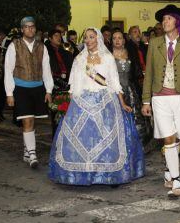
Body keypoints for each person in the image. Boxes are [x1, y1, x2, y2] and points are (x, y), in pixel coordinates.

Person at [48, 27, 145, 185]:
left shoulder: (107, 58)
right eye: (86, 37)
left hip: (105, 101)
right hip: (82, 102)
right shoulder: (79, 59)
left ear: (97, 39)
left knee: (107, 139)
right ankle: (83, 173)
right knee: (81, 140)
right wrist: (69, 107)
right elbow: (73, 86)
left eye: (91, 37)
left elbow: (114, 83)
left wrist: (123, 103)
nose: (88, 40)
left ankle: (108, 174)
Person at [141, 4, 180, 197]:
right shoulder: (154, 43)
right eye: (163, 19)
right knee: (168, 137)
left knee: (177, 138)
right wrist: (145, 101)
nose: (164, 22)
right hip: (160, 97)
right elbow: (148, 73)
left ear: (178, 22)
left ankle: (168, 171)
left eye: (168, 18)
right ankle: (176, 180)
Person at [4, 16, 54, 169]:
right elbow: (8, 70)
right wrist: (9, 93)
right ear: (22, 29)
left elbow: (46, 70)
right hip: (21, 88)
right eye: (26, 26)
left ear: (35, 29)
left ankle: (27, 151)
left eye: (32, 26)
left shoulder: (42, 47)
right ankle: (32, 154)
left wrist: (49, 90)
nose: (30, 29)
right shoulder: (14, 45)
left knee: (33, 121)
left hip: (38, 88)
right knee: (27, 121)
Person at [112, 29, 153, 153]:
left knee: (134, 116)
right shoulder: (108, 55)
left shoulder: (130, 53)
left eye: (120, 38)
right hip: (114, 90)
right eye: (114, 38)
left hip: (130, 89)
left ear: (124, 40)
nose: (117, 40)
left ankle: (134, 144)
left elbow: (136, 71)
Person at [45, 29, 74, 137]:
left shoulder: (64, 50)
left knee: (68, 115)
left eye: (60, 36)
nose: (59, 38)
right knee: (56, 115)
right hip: (54, 85)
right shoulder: (46, 51)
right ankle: (56, 140)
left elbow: (71, 65)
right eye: (56, 35)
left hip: (66, 85)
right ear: (50, 38)